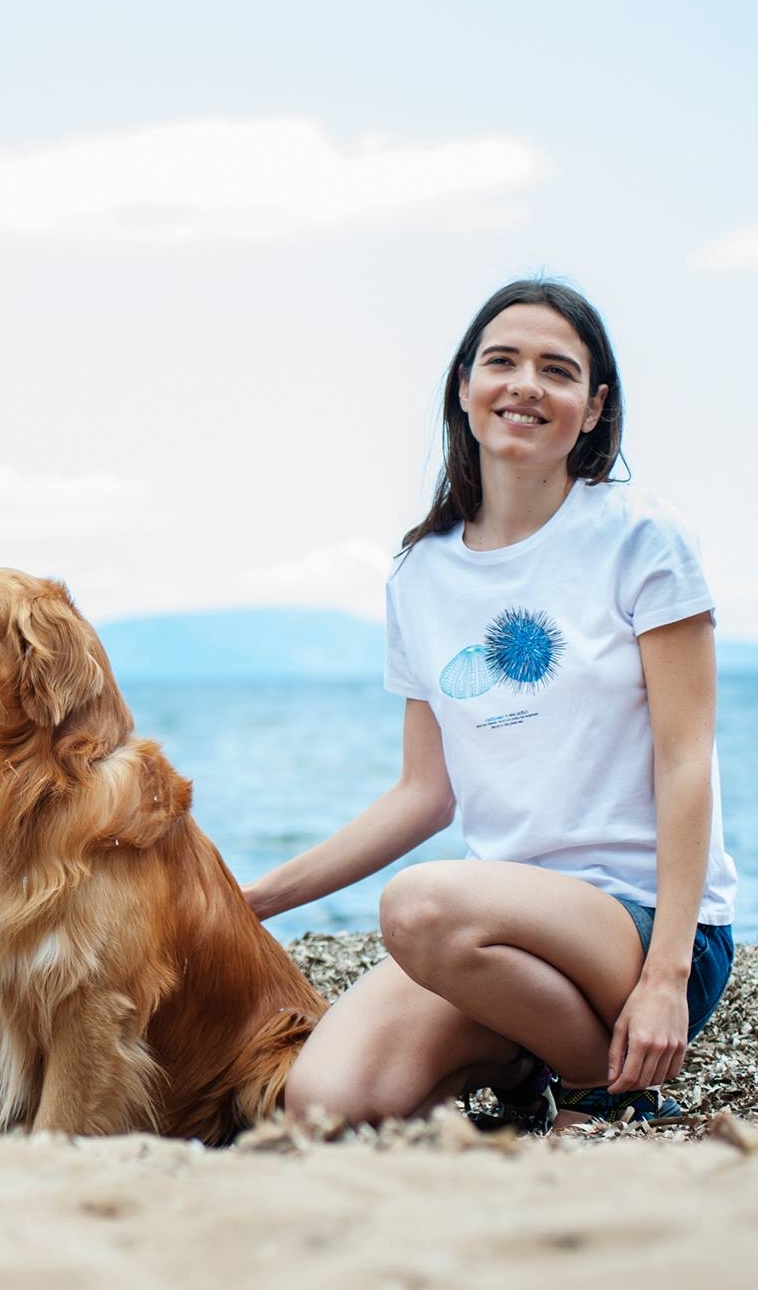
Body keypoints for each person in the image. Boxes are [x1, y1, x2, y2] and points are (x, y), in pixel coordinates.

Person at [243, 281, 737, 1129]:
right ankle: (526, 1059)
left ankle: (606, 1081)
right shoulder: (421, 574)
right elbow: (423, 795)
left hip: (646, 925)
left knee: (419, 905)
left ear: (593, 408)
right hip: (502, 934)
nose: (526, 386)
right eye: (502, 362)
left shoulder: (640, 536)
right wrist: (249, 903)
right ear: (465, 388)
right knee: (326, 1104)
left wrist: (662, 979)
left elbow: (686, 759)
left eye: (558, 370)